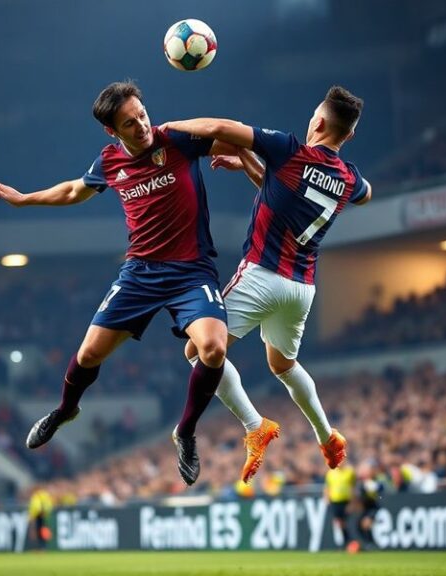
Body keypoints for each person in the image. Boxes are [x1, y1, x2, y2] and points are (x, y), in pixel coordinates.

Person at [0, 81, 234, 486]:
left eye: (142, 116)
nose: (142, 126)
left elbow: (229, 141)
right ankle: (65, 410)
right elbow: (74, 190)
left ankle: (185, 431)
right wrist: (22, 198)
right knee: (89, 353)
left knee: (214, 347)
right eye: (130, 123)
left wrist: (244, 161)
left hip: (192, 271)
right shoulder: (110, 161)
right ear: (111, 131)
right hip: (140, 274)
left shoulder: (178, 140)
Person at [162, 85, 371, 482]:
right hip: (301, 289)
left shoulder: (291, 150)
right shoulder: (348, 178)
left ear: (319, 122)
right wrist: (252, 166)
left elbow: (222, 126)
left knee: (198, 350)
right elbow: (347, 195)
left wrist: (166, 128)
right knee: (283, 364)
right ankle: (327, 436)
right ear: (350, 135)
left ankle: (254, 426)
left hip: (262, 275)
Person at [324, 461, 356, 549]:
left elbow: (352, 488)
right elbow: (327, 488)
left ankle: (349, 541)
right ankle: (347, 541)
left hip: (346, 501)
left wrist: (352, 502)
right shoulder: (330, 473)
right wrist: (327, 499)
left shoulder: (349, 472)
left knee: (345, 522)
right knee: (339, 522)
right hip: (335, 501)